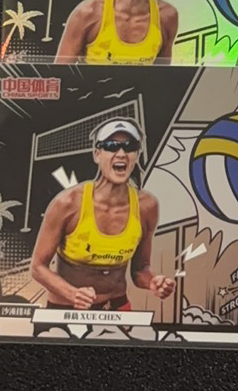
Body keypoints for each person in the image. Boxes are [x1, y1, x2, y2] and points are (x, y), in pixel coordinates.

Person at [30, 119, 175, 312]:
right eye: (111, 146)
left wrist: (153, 282)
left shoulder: (147, 206)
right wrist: (73, 294)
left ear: (136, 155)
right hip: (67, 308)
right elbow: (38, 267)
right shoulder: (68, 203)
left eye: (130, 146)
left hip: (116, 305)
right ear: (97, 154)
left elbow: (140, 269)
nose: (121, 153)